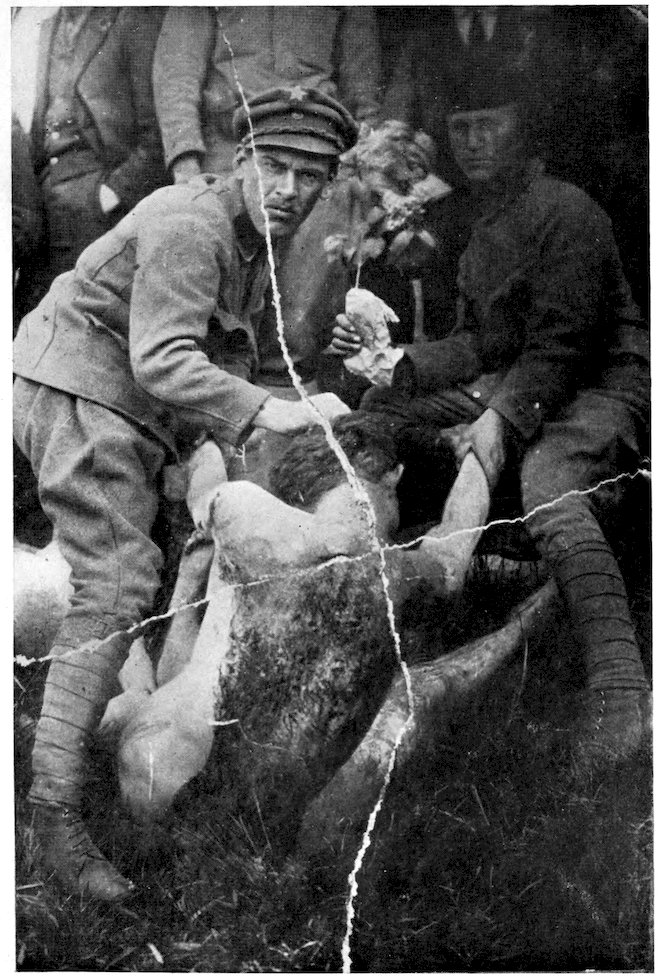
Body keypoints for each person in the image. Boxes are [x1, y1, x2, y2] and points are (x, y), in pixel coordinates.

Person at [13, 87, 357, 902]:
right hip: (81, 388)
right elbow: (164, 358)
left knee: (132, 575)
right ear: (243, 160)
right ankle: (52, 816)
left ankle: (71, 733)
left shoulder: (248, 244)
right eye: (274, 166)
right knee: (118, 582)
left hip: (120, 402)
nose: (288, 189)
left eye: (309, 175)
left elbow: (226, 360)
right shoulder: (192, 223)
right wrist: (267, 410)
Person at [329, 69, 650, 765]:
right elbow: (484, 343)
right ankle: (392, 572)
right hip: (523, 381)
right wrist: (398, 362)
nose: (472, 142)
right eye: (461, 128)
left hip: (599, 384)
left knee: (551, 488)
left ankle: (622, 692)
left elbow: (564, 347)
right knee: (380, 409)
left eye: (489, 125)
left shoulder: (566, 209)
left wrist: (498, 421)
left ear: (522, 128)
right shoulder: (486, 221)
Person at [12, 6, 167, 321]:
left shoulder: (132, 17)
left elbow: (157, 131)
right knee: (31, 322)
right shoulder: (49, 25)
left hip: (97, 202)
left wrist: (112, 193)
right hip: (45, 201)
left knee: (85, 322)